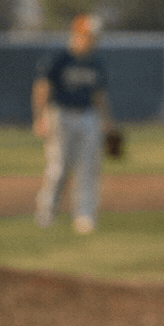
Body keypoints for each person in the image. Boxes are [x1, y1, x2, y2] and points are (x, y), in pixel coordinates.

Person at [34, 13, 115, 234]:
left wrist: (107, 121)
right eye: (87, 35)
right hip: (60, 114)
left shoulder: (96, 62)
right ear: (76, 35)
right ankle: (47, 213)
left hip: (88, 115)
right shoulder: (60, 58)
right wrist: (40, 117)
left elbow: (99, 94)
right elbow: (43, 88)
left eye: (93, 36)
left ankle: (85, 217)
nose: (92, 40)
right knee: (59, 166)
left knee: (89, 168)